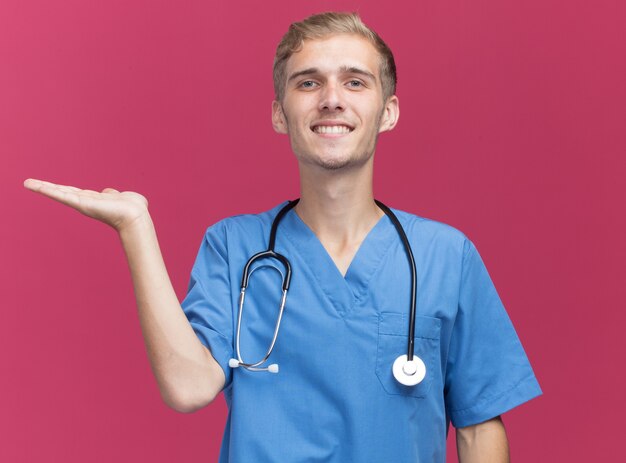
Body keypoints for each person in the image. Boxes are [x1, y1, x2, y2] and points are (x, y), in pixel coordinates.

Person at [24, 11, 541, 463]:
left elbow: (478, 425)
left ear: (388, 112)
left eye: (356, 82)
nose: (332, 99)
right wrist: (135, 228)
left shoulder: (446, 256)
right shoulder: (234, 246)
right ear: (280, 113)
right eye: (308, 83)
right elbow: (187, 387)